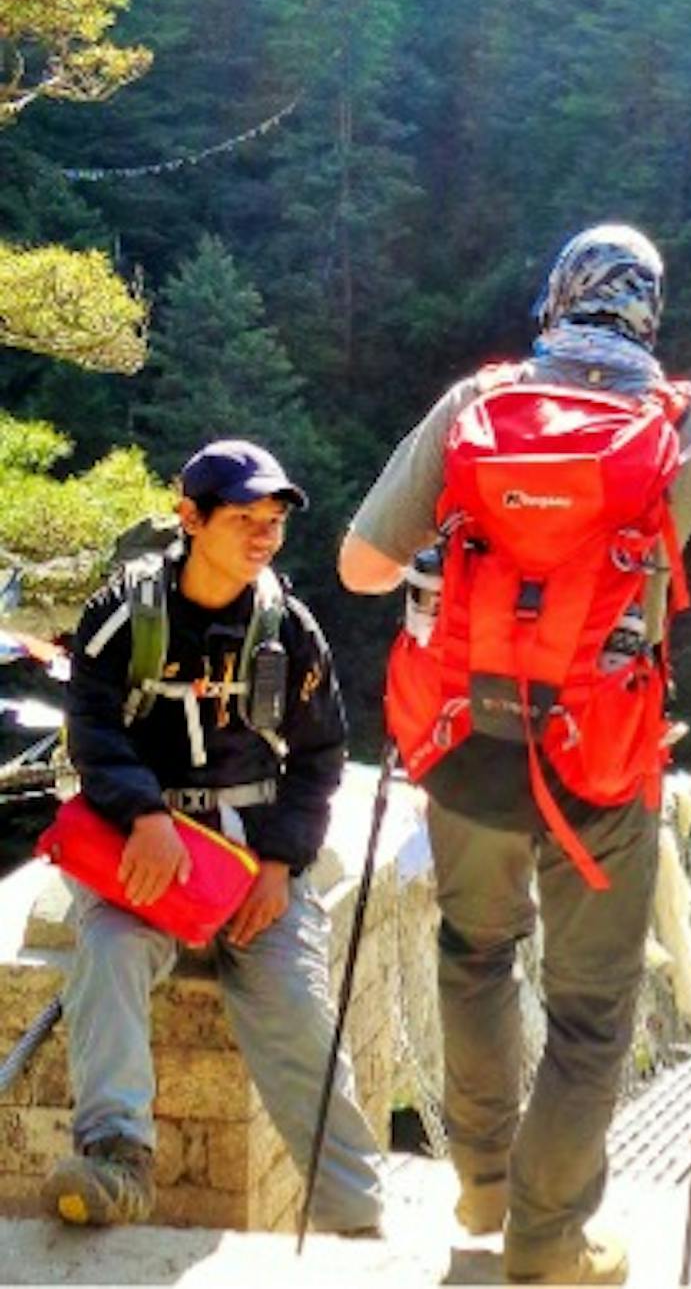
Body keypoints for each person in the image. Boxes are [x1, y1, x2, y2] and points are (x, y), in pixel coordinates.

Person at [338, 224, 691, 1286]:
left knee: (473, 953)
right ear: (649, 311)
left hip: (461, 747)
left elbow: (361, 566)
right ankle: (549, 1241)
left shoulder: (473, 409)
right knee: (591, 1009)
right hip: (600, 771)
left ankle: (484, 1182)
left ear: (555, 298)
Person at [48, 440, 384, 1233]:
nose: (264, 535)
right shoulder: (126, 614)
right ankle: (115, 1161)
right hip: (146, 849)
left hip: (252, 853)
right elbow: (90, 725)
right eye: (244, 518)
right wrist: (145, 813)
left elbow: (319, 756)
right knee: (108, 950)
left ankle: (352, 1215)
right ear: (190, 517)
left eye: (273, 521)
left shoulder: (288, 629)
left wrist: (280, 864)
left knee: (299, 1009)